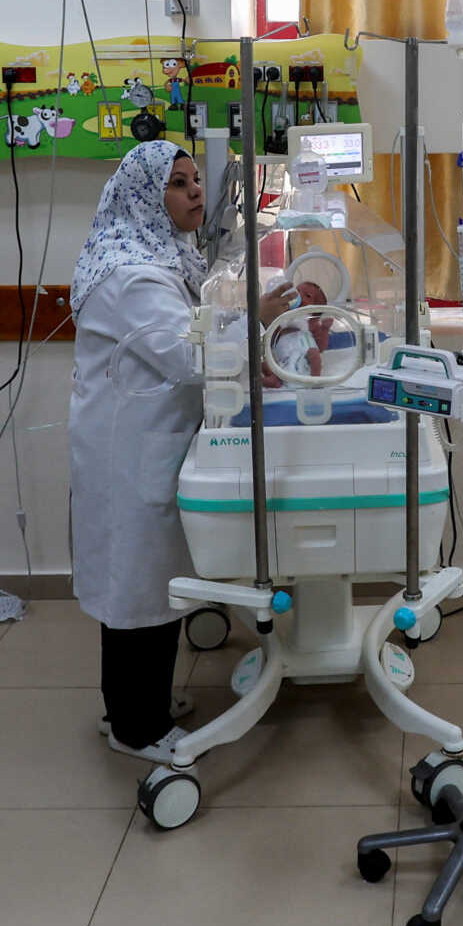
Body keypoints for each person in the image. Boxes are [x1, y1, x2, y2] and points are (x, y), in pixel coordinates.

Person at [65, 140, 305, 760]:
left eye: (196, 179)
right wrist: (255, 324)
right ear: (145, 197)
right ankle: (134, 728)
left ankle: (135, 705)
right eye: (178, 183)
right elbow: (188, 351)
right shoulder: (130, 277)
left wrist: (251, 336)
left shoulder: (161, 259)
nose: (196, 191)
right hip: (131, 452)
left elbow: (195, 332)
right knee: (138, 586)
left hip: (150, 441)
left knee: (153, 583)